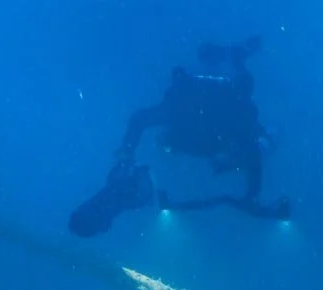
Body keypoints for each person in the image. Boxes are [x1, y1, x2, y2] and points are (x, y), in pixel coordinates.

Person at [69, 36, 290, 238]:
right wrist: (252, 197)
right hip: (203, 123)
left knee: (249, 125)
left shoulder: (227, 123)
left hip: (204, 124)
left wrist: (128, 150)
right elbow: (253, 155)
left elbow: (140, 119)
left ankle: (233, 56)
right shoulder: (208, 119)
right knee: (253, 128)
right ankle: (234, 56)